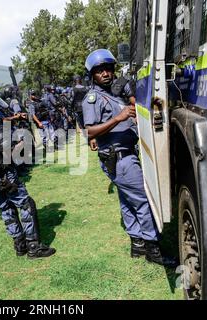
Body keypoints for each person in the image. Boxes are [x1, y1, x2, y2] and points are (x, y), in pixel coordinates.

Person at [82, 49, 176, 267]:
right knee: (143, 200)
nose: (105, 73)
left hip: (123, 155)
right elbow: (89, 132)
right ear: (92, 75)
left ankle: (137, 244)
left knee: (126, 200)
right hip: (119, 157)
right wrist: (119, 117)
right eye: (99, 71)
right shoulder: (93, 98)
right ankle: (153, 248)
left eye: (108, 69)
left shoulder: (112, 94)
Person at [0, 89, 56, 259]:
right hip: (6, 173)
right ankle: (34, 247)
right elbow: (10, 151)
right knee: (26, 205)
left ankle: (19, 245)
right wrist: (24, 141)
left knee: (6, 208)